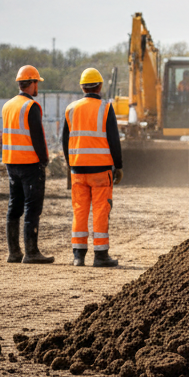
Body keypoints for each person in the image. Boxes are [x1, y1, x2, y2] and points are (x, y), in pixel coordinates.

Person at [62, 67, 123, 267]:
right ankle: (100, 255)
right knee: (100, 210)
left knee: (79, 210)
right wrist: (119, 166)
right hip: (100, 170)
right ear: (100, 87)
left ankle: (78, 256)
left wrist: (70, 165)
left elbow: (65, 141)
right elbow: (114, 139)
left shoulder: (71, 109)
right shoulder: (106, 108)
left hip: (77, 170)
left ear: (82, 87)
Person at [1, 65, 54, 263]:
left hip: (10, 162)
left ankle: (14, 252)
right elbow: (37, 137)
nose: (37, 87)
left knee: (14, 206)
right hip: (30, 164)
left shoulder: (8, 105)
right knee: (32, 207)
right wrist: (44, 160)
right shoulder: (30, 106)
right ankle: (31, 253)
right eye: (37, 83)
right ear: (31, 84)